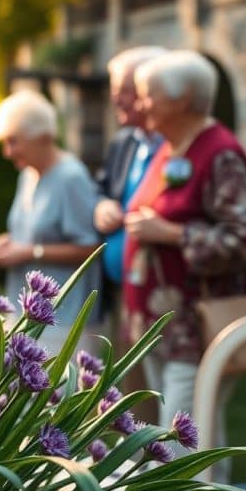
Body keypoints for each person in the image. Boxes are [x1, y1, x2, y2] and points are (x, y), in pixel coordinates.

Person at [124, 51, 246, 470]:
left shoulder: (221, 154)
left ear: (182, 100)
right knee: (200, 435)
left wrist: (173, 234)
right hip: (163, 326)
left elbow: (245, 238)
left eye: (148, 96)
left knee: (176, 446)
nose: (140, 105)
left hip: (196, 331)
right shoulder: (171, 147)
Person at [0, 90, 103, 355]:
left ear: (43, 137)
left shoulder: (71, 178)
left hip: (61, 320)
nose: (7, 152)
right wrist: (3, 242)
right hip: (24, 309)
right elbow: (32, 229)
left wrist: (28, 253)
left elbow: (91, 248)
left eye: (14, 142)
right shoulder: (28, 174)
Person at [92, 46, 166, 423]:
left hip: (163, 292)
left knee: (170, 394)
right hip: (123, 289)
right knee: (132, 385)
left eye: (123, 89)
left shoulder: (173, 146)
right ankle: (139, 468)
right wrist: (102, 204)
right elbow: (104, 187)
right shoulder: (124, 141)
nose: (114, 98)